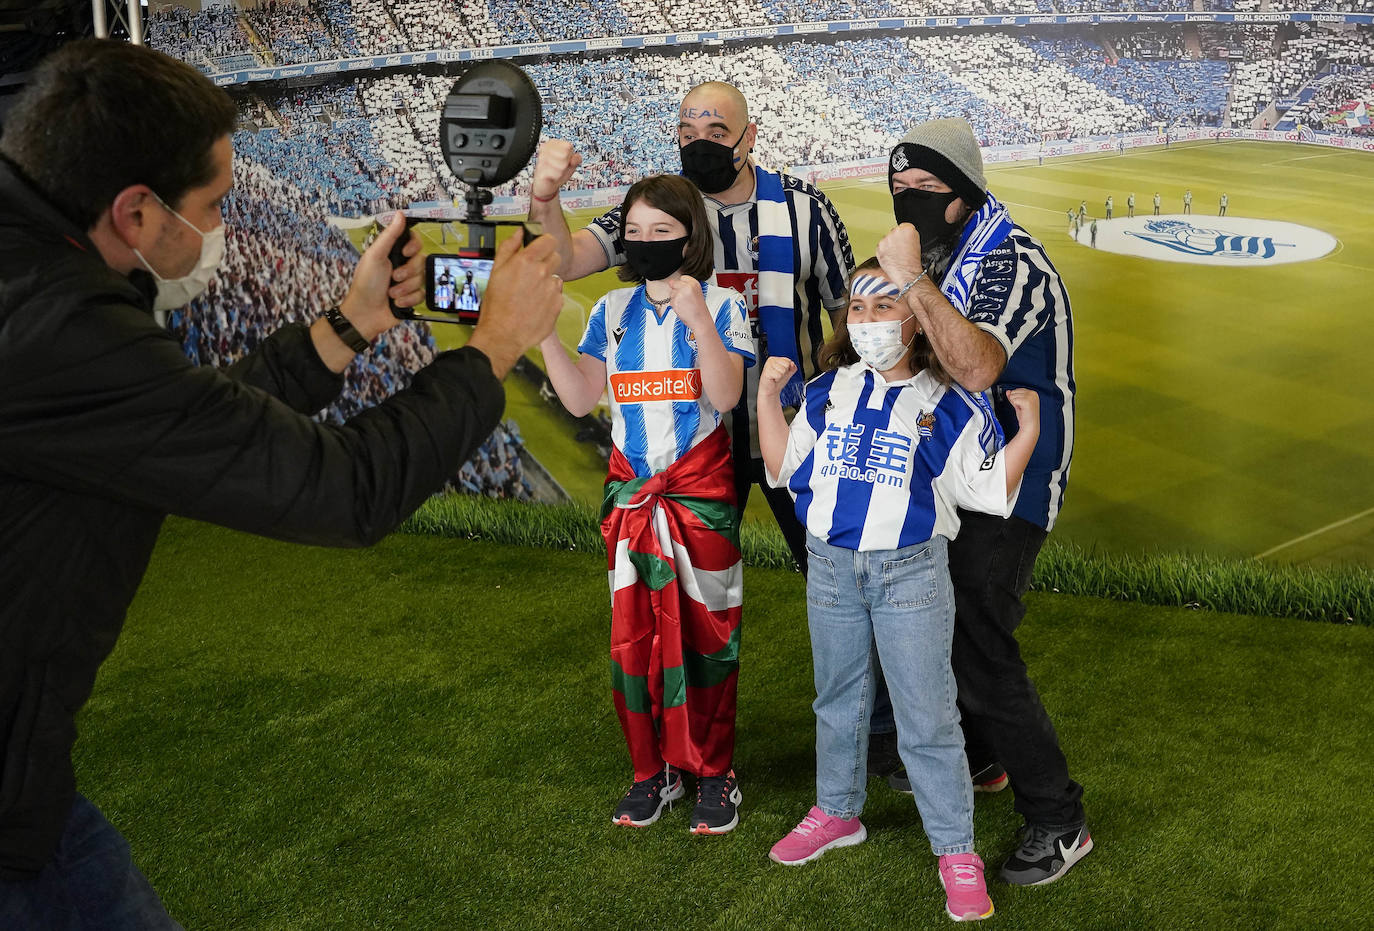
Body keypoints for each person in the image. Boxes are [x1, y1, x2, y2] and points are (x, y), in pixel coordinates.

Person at [0, 40, 565, 927]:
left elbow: (187, 425)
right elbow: (342, 492)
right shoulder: (55, 323)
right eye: (214, 205)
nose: (223, 225)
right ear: (136, 211)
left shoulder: (33, 275)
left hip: (26, 781)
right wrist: (493, 350)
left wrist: (354, 320)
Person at [757, 259, 1040, 923]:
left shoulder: (947, 400)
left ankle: (955, 848)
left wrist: (1027, 430)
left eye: (885, 307)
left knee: (927, 712)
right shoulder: (828, 390)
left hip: (909, 570)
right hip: (829, 566)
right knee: (838, 696)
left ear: (918, 319)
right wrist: (769, 399)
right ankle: (835, 810)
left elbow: (990, 488)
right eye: (858, 308)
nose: (869, 320)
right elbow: (782, 467)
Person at [866, 118, 1086, 886]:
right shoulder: (939, 252)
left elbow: (976, 366)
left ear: (965, 193)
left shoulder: (1010, 261)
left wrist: (915, 285)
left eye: (928, 188)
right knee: (929, 612)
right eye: (900, 187)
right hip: (946, 472)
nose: (910, 200)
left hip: (1011, 481)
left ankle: (1059, 819)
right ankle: (982, 753)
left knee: (977, 639)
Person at [528, 80, 853, 574]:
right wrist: (546, 196)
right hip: (698, 442)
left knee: (835, 569)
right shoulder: (661, 211)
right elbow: (563, 260)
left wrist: (844, 403)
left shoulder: (807, 208)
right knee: (692, 583)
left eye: (717, 131)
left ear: (749, 137)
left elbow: (844, 311)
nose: (700, 143)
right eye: (688, 131)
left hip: (797, 426)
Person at [537, 174, 755, 835]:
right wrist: (544, 333)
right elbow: (579, 399)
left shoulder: (722, 305)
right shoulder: (611, 311)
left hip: (701, 495)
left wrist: (696, 321)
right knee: (634, 640)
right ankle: (650, 771)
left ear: (691, 236)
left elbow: (724, 397)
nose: (645, 242)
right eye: (634, 232)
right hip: (632, 496)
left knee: (709, 638)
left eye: (662, 231)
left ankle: (714, 771)